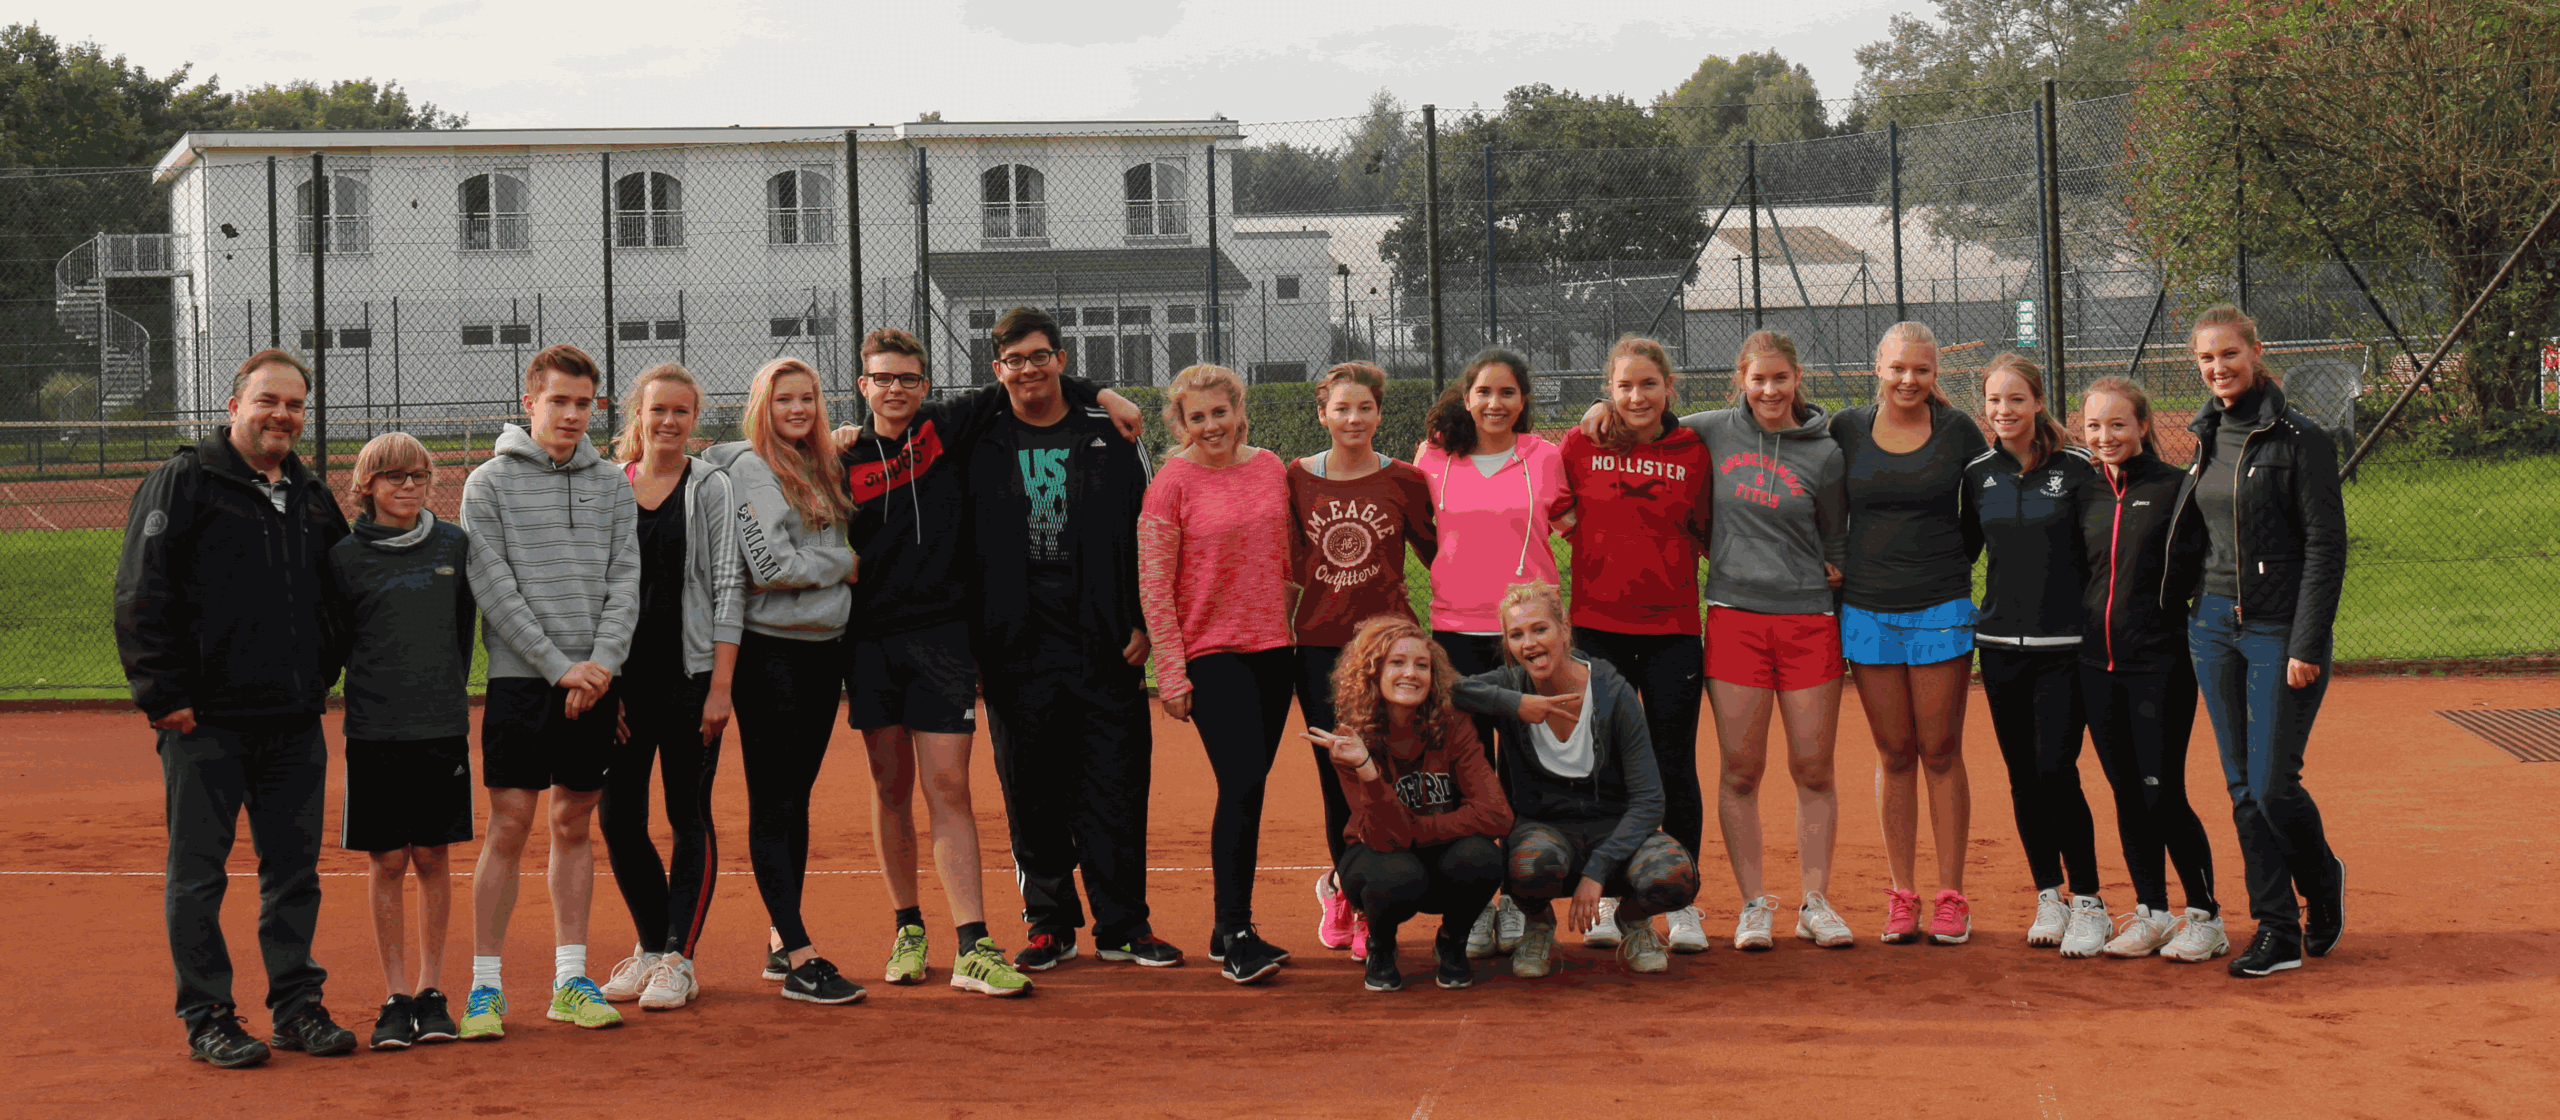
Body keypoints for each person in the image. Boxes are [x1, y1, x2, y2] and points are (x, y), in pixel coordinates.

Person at [834, 327, 1135, 998]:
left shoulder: (948, 426)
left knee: (949, 788)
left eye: (908, 378)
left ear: (925, 385)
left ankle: (972, 943)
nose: (895, 389)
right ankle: (908, 929)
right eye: (883, 378)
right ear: (863, 386)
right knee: (890, 789)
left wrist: (1103, 393)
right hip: (871, 642)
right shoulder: (842, 455)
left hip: (943, 638)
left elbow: (1027, 374)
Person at [116, 349, 359, 1067]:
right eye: (268, 401)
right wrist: (163, 695)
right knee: (199, 875)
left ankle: (296, 1007)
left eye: (294, 404)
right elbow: (141, 592)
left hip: (292, 720)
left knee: (294, 873)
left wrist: (318, 677)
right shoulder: (185, 481)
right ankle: (208, 1016)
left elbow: (339, 596)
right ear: (234, 407)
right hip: (207, 723)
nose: (282, 415)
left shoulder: (310, 494)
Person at [965, 307, 1183, 971]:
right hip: (1014, 645)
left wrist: (1142, 618)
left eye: (1040, 356)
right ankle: (1048, 924)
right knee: (1029, 789)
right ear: (997, 368)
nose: (1028, 370)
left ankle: (1124, 925)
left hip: (1104, 641)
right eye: (1014, 360)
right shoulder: (980, 432)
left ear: (1061, 359)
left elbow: (1150, 529)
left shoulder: (1108, 429)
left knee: (1115, 785)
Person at [458, 343, 639, 1037]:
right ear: (529, 401)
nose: (570, 414)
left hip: (594, 682)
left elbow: (626, 580)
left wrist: (601, 665)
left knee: (573, 823)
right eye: (557, 401)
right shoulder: (487, 484)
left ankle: (570, 980)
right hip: (522, 682)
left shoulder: (612, 484)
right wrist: (558, 666)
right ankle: (485, 989)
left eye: (583, 403)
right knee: (508, 826)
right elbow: (493, 586)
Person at [2166, 305, 2348, 978]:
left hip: (2278, 629)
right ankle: (2276, 928)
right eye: (2206, 358)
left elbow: (2326, 548)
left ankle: (2322, 881)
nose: (2218, 368)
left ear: (2255, 352)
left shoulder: (2302, 439)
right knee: (2242, 787)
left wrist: (2307, 642)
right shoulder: (2207, 435)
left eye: (2228, 354)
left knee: (2273, 785)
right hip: (2212, 625)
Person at [702, 357, 867, 1006]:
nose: (797, 409)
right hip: (772, 656)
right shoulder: (752, 468)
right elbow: (768, 566)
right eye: (783, 400)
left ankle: (780, 940)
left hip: (824, 653)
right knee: (775, 801)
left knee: (796, 800)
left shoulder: (821, 464)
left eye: (807, 398)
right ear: (761, 407)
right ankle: (800, 955)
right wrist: (844, 563)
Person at [1684, 331, 1855, 952]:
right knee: (1740, 769)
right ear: (1741, 380)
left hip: (1808, 619)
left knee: (1813, 766)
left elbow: (1836, 539)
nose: (1770, 390)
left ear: (1797, 378)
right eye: (1758, 379)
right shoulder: (1712, 429)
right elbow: (1644, 423)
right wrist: (1601, 408)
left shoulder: (1826, 452)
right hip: (1735, 618)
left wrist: (1833, 571)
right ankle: (1754, 905)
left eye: (1780, 378)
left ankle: (1815, 902)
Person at [1548, 335, 1713, 954]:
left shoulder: (1692, 450)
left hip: (1673, 631)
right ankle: (1612, 893)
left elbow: (1705, 529)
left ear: (1669, 387)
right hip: (1598, 628)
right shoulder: (1580, 443)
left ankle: (1681, 899)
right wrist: (1591, 543)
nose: (1637, 396)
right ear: (1608, 390)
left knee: (1673, 765)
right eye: (1624, 386)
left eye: (1649, 384)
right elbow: (1554, 506)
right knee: (1605, 766)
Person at [1829, 321, 1986, 945]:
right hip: (1866, 610)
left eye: (1921, 369)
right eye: (1898, 367)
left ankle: (1951, 897)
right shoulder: (1844, 428)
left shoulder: (1958, 431)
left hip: (1940, 607)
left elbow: (1981, 513)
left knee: (1940, 750)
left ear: (1935, 372)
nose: (1909, 379)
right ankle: (1902, 895)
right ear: (1878, 367)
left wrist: (1943, 567)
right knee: (1895, 752)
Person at [1453, 583, 1702, 978]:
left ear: (1565, 629)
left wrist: (1597, 870)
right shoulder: (1512, 685)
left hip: (1615, 832)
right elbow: (1449, 689)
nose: (1529, 643)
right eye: (1516, 635)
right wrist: (1516, 704)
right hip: (1544, 832)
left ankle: (1632, 920)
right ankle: (1538, 926)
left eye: (1540, 629)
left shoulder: (1613, 692)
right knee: (1527, 864)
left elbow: (1649, 801)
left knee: (1675, 875)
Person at [595, 364, 745, 1013]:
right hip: (623, 686)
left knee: (688, 816)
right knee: (617, 817)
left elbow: (730, 586)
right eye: (658, 409)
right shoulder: (610, 485)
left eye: (681, 411)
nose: (669, 421)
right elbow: (593, 587)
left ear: (694, 418)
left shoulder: (710, 485)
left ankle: (680, 958)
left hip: (690, 680)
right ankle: (653, 945)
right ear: (639, 413)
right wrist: (603, 683)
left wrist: (721, 687)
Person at [1140, 364, 1297, 984]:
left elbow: (1289, 556)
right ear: (1180, 423)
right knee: (1240, 783)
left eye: (1219, 412)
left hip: (1274, 649)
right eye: (1196, 417)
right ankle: (1236, 931)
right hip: (1211, 653)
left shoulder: (1271, 468)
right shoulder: (1171, 484)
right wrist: (1170, 673)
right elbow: (1155, 585)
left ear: (1239, 411)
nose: (1211, 426)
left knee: (1251, 786)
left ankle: (1224, 928)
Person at [326, 433, 475, 1050]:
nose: (409, 486)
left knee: (433, 856)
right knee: (388, 861)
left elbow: (462, 632)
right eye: (394, 477)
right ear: (367, 486)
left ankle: (431, 990)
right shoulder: (344, 557)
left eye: (418, 475)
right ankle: (394, 996)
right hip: (374, 730)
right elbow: (338, 641)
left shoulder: (454, 544)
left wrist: (441, 693)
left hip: (440, 726)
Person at [1413, 346, 1564, 955]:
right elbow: (1421, 531)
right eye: (1484, 392)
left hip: (1525, 635)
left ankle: (1524, 903)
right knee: (1463, 770)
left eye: (1507, 393)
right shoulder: (1432, 458)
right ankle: (1473, 902)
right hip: (1455, 632)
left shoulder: (1545, 457)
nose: (1495, 403)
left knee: (1525, 769)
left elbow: (1577, 524)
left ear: (1523, 400)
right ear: (1466, 397)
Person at [1286, 362, 1437, 961]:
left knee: (1389, 772)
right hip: (1320, 649)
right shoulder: (1296, 477)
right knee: (1338, 778)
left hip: (1388, 650)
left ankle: (1378, 899)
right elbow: (1285, 564)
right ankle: (1346, 891)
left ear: (1379, 413)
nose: (1353, 418)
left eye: (1365, 408)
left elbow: (1443, 554)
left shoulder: (1406, 480)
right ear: (1322, 414)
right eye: (1341, 408)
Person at [2077, 377, 2225, 962]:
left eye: (2118, 424)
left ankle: (2206, 916)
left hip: (2159, 665)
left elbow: (2208, 564)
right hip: (2096, 666)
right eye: (2094, 426)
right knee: (2125, 793)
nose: (2105, 436)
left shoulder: (2176, 489)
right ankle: (2152, 912)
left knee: (2161, 792)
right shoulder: (2085, 491)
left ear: (2142, 426)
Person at [1964, 353, 2106, 956]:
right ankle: (2049, 894)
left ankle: (2090, 901)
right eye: (1995, 401)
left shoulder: (2078, 469)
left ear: (2038, 402)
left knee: (2056, 769)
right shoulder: (1977, 474)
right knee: (2023, 776)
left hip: (2064, 649)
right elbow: (1960, 551)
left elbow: (2104, 552)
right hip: (1999, 649)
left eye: (2016, 399)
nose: (2004, 411)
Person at [1304, 618, 1510, 992]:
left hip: (1437, 853)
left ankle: (1452, 942)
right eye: (1397, 663)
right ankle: (1381, 947)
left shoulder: (1453, 725)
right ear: (1374, 672)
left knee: (1483, 858)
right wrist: (1367, 769)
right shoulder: (1352, 740)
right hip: (1376, 859)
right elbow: (1385, 838)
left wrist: (1417, 829)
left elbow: (1498, 814)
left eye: (1422, 665)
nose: (1411, 674)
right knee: (1398, 874)